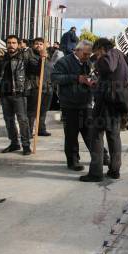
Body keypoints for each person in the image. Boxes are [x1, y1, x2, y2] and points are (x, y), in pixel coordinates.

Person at [80, 38, 128, 182]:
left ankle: (96, 173)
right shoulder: (121, 56)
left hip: (107, 103)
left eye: (95, 53)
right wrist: (97, 83)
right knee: (114, 136)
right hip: (117, 101)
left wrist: (98, 61)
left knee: (96, 135)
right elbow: (112, 77)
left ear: (101, 49)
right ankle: (114, 170)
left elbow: (108, 66)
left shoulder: (112, 54)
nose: (95, 56)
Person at [0, 35, 40, 155]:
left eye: (14, 43)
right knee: (8, 120)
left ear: (18, 44)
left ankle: (26, 145)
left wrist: (42, 59)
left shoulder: (25, 58)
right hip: (5, 95)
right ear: (6, 44)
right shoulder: (2, 61)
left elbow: (37, 69)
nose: (11, 45)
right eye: (9, 43)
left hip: (19, 94)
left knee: (22, 120)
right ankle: (14, 143)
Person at [52, 40, 95, 171]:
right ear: (77, 50)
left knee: (90, 132)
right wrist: (76, 78)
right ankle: (73, 160)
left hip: (85, 102)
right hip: (69, 104)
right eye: (85, 54)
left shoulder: (88, 63)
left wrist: (91, 81)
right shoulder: (63, 62)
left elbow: (90, 76)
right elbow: (55, 78)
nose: (87, 57)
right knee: (71, 134)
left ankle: (101, 156)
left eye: (89, 54)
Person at [26, 38, 54, 136]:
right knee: (32, 111)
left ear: (44, 46)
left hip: (48, 87)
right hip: (36, 87)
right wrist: (41, 60)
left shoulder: (48, 57)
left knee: (43, 110)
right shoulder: (30, 56)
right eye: (36, 44)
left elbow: (51, 71)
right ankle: (29, 130)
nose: (39, 46)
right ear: (33, 45)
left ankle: (41, 129)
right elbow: (37, 70)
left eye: (41, 44)